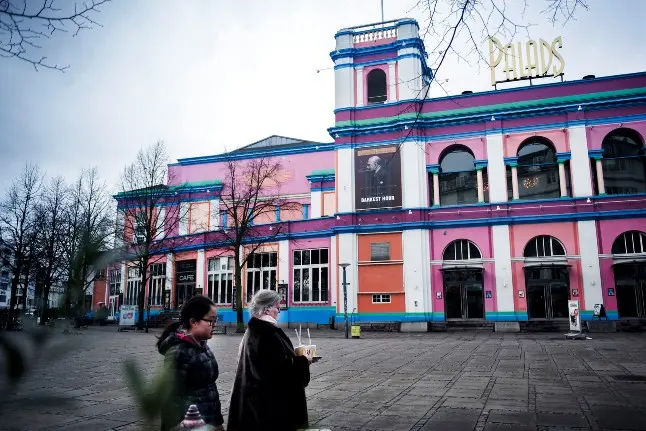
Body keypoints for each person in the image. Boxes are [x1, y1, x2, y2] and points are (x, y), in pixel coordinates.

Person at [228, 290, 312, 431]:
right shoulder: (266, 332)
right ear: (266, 309)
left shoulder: (255, 329)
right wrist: (303, 361)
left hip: (254, 399)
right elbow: (278, 371)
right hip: (267, 406)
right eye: (277, 308)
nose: (279, 311)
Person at [157, 295, 224, 431]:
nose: (214, 324)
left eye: (215, 320)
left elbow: (209, 389)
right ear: (193, 322)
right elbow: (170, 397)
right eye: (211, 320)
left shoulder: (202, 345)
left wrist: (217, 422)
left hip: (209, 420)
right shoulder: (179, 352)